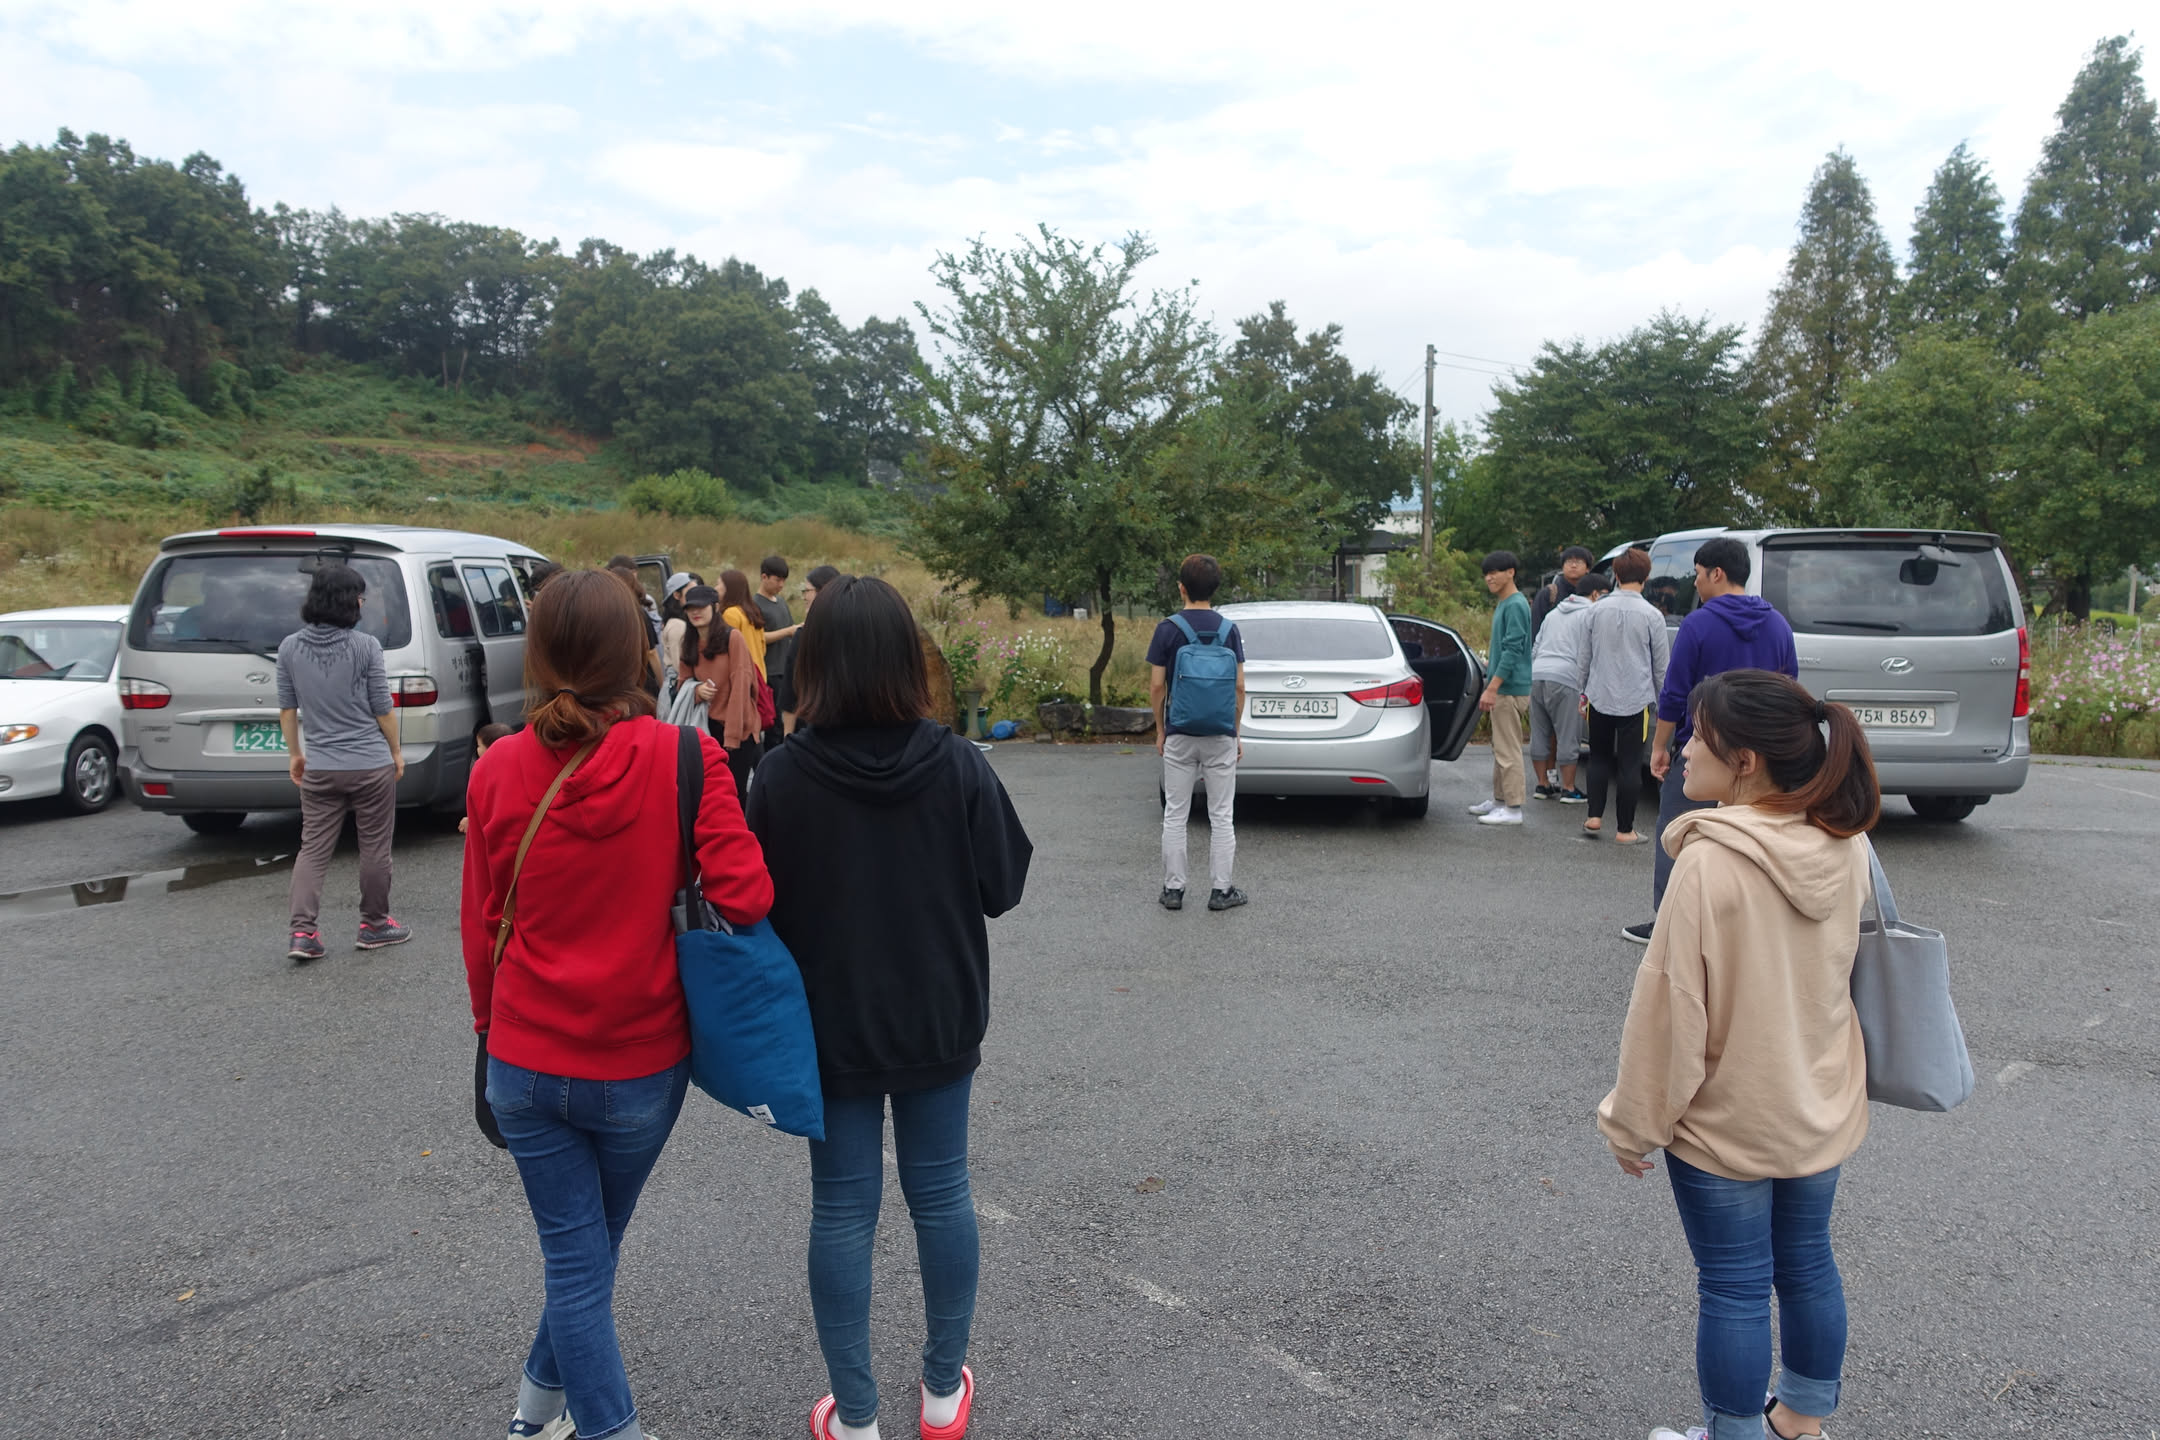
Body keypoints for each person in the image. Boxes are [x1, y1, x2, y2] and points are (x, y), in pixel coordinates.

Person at [463, 569, 772, 1440]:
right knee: (585, 1256)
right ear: (638, 652)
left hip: (523, 1061)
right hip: (639, 1064)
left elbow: (480, 927)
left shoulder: (497, 769)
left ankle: (534, 1416)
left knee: (579, 1256)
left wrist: (489, 1034)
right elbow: (747, 896)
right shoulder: (684, 758)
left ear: (537, 655)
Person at [744, 574, 1032, 1440]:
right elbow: (1003, 886)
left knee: (841, 1209)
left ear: (815, 663)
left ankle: (857, 1417)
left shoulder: (781, 777)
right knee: (942, 1194)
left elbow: (750, 907)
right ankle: (943, 1393)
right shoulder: (958, 763)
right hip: (939, 1015)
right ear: (909, 659)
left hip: (828, 1026)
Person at [1598, 669, 1880, 1440]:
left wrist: (1632, 1123)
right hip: (1818, 1101)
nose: (1685, 747)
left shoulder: (1710, 863)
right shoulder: (1845, 843)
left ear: (1746, 762)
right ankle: (1802, 1422)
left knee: (1732, 1287)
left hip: (1727, 1119)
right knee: (1809, 1265)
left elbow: (1670, 1015)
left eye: (1700, 735)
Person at [1625, 537, 1799, 943]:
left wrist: (1659, 747)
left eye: (1699, 574)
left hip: (1703, 750)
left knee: (1680, 831)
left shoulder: (1698, 624)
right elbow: (1789, 690)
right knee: (1754, 837)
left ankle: (1671, 922)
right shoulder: (1778, 624)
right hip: (1760, 756)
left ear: (1717, 573)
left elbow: (1675, 694)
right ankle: (1744, 922)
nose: (1696, 582)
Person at [276, 562, 408, 961]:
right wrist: (396, 751)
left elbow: (287, 709)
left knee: (313, 850)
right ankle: (374, 925)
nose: (363, 602)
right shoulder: (366, 646)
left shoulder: (289, 648)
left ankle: (303, 933)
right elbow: (382, 707)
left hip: (320, 765)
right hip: (369, 764)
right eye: (360, 596)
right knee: (375, 848)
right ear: (350, 601)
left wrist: (295, 754)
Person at [1146, 553, 1248, 912]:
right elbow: (1239, 687)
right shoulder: (1229, 630)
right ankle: (1221, 891)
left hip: (1180, 732)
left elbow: (1156, 686)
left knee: (1176, 813)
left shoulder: (1167, 629)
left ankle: (1173, 890)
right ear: (1215, 588)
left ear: (1181, 588)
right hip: (1220, 734)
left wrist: (1161, 730)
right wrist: (1235, 732)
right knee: (1222, 815)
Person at [1580, 549, 1670, 845]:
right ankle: (1625, 829)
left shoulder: (1594, 610)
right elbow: (1661, 667)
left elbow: (1584, 657)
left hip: (1599, 695)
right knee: (1629, 765)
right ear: (1646, 577)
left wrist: (1583, 693)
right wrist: (1664, 704)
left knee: (1598, 757)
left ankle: (1594, 815)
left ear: (1616, 575)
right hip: (1636, 699)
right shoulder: (1653, 615)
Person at [1527, 569, 1607, 802]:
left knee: (1540, 732)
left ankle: (1542, 784)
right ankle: (1568, 788)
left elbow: (1536, 646)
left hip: (1538, 674)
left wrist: (1536, 669)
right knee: (1568, 734)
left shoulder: (1554, 613)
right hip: (1566, 677)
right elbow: (1593, 650)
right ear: (1595, 594)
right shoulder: (1592, 613)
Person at [1469, 551, 1533, 827]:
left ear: (1511, 573)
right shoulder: (1505, 603)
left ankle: (1513, 808)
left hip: (1509, 689)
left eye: (1494, 572)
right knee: (1501, 748)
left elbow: (1513, 649)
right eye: (1486, 573)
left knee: (1508, 750)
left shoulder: (1516, 604)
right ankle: (1499, 801)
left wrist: (1492, 687)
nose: (1489, 577)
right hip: (1505, 686)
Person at [680, 583, 762, 793]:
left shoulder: (732, 637)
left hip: (738, 727)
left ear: (715, 607)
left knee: (735, 792)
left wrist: (732, 736)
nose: (695, 612)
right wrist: (697, 691)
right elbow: (682, 684)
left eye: (701, 606)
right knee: (710, 792)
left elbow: (741, 687)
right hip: (705, 727)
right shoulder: (688, 641)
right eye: (690, 608)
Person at [754, 555, 805, 740]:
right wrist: (788, 631)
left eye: (784, 580)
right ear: (764, 577)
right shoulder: (755, 605)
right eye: (777, 580)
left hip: (786, 670)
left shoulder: (782, 602)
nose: (781, 585)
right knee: (774, 724)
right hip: (770, 672)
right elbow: (759, 638)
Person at [609, 563, 664, 696]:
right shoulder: (638, 614)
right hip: (642, 681)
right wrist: (662, 685)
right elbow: (651, 653)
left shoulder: (605, 615)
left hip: (615, 684)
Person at [457, 722, 513, 834]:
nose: (477, 749)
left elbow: (483, 804)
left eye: (479, 746)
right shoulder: (513, 768)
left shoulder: (484, 772)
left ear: (492, 748)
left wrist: (472, 821)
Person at [1530, 544, 1594, 639]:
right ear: (1563, 566)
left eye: (1578, 562)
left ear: (1588, 568)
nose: (1573, 565)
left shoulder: (1594, 593)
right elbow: (1535, 627)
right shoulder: (1549, 593)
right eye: (1569, 561)